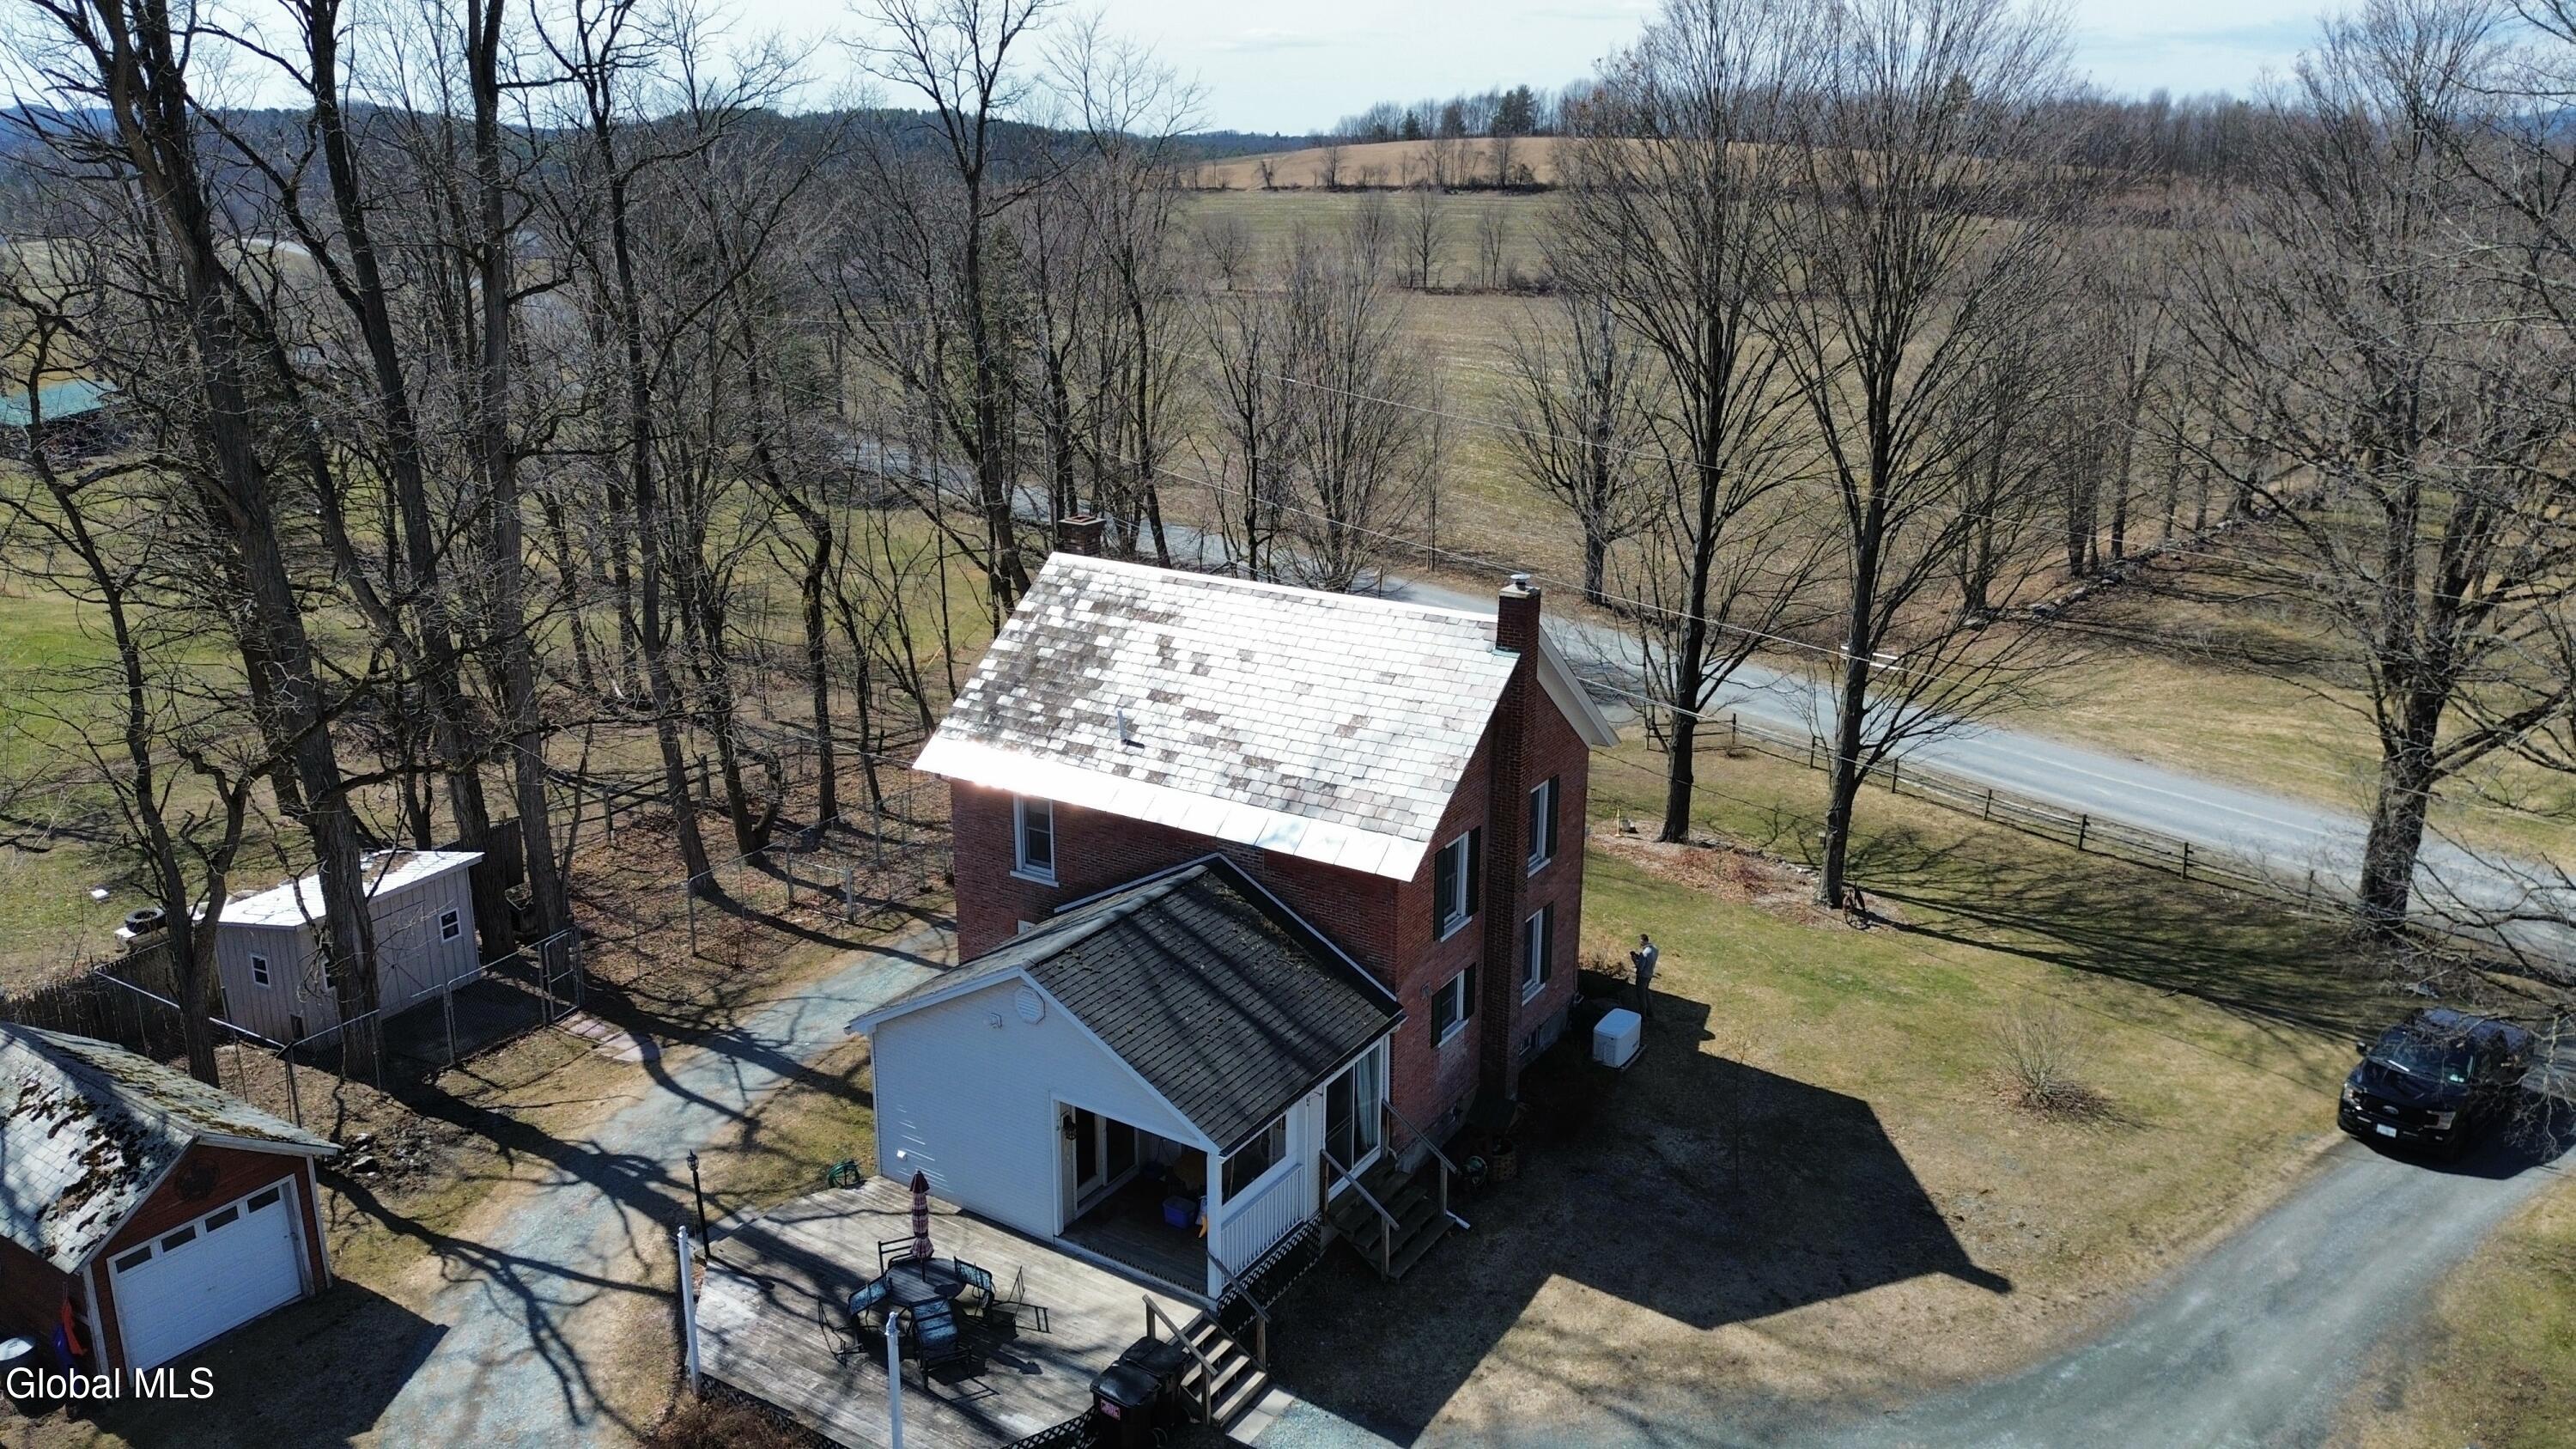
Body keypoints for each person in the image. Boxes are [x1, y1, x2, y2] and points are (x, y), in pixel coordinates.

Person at [1629, 933, 1658, 1016]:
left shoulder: (1644, 953)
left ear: (1643, 941)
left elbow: (1640, 968)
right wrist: (1640, 958)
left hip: (1642, 976)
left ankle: (1643, 1015)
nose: (1640, 944)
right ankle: (1650, 1012)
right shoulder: (1655, 949)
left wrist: (1634, 960)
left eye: (1640, 942)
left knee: (1641, 996)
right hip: (1650, 974)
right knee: (1647, 992)